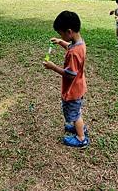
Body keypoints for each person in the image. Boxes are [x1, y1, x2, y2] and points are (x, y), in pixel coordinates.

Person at [43, 11, 89, 148]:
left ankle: (81, 138)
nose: (60, 36)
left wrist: (53, 67)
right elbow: (69, 46)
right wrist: (61, 42)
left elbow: (69, 74)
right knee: (76, 111)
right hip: (79, 86)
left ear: (69, 31)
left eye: (61, 34)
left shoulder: (74, 53)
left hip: (73, 89)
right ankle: (78, 127)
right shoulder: (79, 44)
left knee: (75, 114)